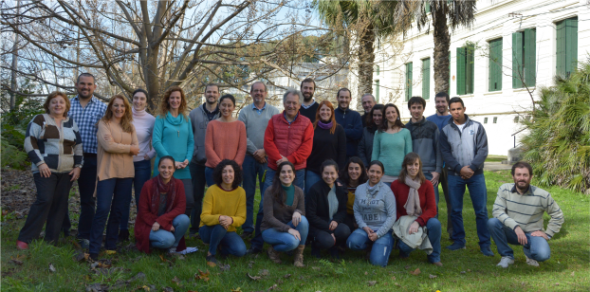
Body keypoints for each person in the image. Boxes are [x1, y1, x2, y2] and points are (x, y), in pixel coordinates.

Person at [248, 89, 314, 254]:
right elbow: (268, 143)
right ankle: (257, 243)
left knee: (296, 206)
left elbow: (306, 148)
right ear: (284, 104)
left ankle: (295, 243)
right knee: (265, 204)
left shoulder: (306, 123)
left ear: (299, 105)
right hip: (273, 169)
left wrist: (288, 161)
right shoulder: (274, 120)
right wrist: (280, 160)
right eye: (288, 102)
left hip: (297, 171)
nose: (291, 105)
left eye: (294, 103)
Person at [16, 91, 83, 250]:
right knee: (44, 200)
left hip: (67, 171)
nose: (58, 105)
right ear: (49, 105)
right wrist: (40, 163)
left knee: (60, 204)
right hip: (45, 169)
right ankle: (26, 238)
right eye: (54, 102)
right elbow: (29, 142)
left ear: (66, 105)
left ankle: (51, 240)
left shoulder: (71, 123)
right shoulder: (40, 120)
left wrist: (78, 167)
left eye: (61, 102)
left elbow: (78, 146)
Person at [439, 97, 493, 256]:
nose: (456, 112)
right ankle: (459, 241)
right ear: (449, 111)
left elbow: (483, 150)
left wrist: (472, 168)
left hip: (476, 175)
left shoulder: (477, 127)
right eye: (453, 109)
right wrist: (459, 168)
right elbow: (445, 153)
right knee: (455, 210)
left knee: (481, 211)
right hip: (454, 175)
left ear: (464, 108)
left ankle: (485, 244)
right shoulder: (445, 130)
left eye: (459, 108)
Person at [89, 95, 139, 260]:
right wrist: (128, 148)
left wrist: (129, 148)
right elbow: (108, 146)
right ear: (111, 107)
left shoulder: (130, 127)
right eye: (116, 105)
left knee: (118, 211)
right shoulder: (104, 124)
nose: (119, 109)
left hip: (126, 173)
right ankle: (94, 248)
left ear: (126, 109)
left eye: (122, 106)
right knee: (102, 209)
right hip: (107, 171)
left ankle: (111, 245)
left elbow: (137, 148)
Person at [488, 162, 564, 268]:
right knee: (492, 222)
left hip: (532, 234)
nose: (521, 178)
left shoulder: (542, 195)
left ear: (531, 177)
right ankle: (507, 256)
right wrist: (516, 227)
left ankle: (530, 254)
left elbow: (558, 214)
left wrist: (548, 233)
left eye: (525, 175)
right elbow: (497, 211)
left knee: (543, 255)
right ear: (513, 176)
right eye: (518, 175)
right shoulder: (504, 189)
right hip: (512, 232)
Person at [68, 73, 107, 248]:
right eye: (82, 84)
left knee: (88, 200)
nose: (86, 87)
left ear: (95, 87)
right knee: (60, 197)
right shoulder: (66, 105)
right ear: (76, 85)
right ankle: (62, 229)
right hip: (66, 158)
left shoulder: (102, 109)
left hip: (91, 159)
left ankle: (84, 235)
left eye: (89, 84)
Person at [238, 81, 279, 238]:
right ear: (251, 93)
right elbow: (242, 135)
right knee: (247, 194)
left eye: (261, 91)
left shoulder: (274, 112)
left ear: (266, 93)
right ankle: (247, 229)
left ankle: (264, 228)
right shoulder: (244, 112)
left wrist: (265, 152)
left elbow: (277, 136)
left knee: (267, 195)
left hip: (267, 159)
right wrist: (256, 151)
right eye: (255, 91)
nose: (258, 93)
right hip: (248, 158)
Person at [390, 153, 442, 266]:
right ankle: (404, 251)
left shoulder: (427, 184)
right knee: (405, 247)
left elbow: (432, 209)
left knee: (435, 224)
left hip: (420, 218)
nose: (413, 167)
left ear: (419, 166)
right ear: (405, 166)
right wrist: (404, 223)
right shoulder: (396, 184)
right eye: (410, 164)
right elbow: (393, 208)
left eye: (416, 164)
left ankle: (434, 257)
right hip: (402, 220)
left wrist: (417, 222)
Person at [119, 88, 156, 241]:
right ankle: (123, 230)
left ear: (146, 103)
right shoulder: (124, 116)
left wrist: (151, 154)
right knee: (124, 198)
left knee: (142, 198)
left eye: (142, 99)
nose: (138, 101)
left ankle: (142, 230)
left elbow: (156, 140)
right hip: (124, 163)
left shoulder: (151, 119)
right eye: (136, 98)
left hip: (142, 164)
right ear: (132, 99)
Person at [134, 156, 192, 254]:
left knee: (184, 219)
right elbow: (143, 213)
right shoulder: (148, 185)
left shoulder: (178, 184)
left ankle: (173, 248)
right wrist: (166, 226)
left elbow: (180, 208)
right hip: (149, 224)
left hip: (164, 221)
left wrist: (161, 222)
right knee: (168, 240)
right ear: (158, 168)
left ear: (174, 169)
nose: (166, 170)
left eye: (170, 167)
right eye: (163, 167)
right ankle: (150, 243)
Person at [152, 86, 194, 215]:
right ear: (168, 100)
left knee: (188, 201)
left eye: (178, 98)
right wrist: (171, 162)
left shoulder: (187, 119)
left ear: (181, 100)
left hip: (183, 168)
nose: (175, 100)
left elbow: (190, 142)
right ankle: (163, 230)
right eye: (172, 98)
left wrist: (188, 159)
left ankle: (177, 230)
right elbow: (156, 142)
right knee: (163, 204)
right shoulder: (161, 118)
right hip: (165, 168)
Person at [346, 161, 397, 267]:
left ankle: (381, 244)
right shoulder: (360, 189)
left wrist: (378, 234)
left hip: (383, 230)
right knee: (351, 243)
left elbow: (392, 216)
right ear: (367, 172)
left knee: (377, 263)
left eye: (378, 172)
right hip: (366, 229)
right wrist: (364, 227)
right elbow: (357, 211)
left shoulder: (387, 191)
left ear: (382, 174)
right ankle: (371, 245)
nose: (374, 174)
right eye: (372, 171)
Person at [199, 159, 247, 267]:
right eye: (224, 172)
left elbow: (242, 218)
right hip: (208, 230)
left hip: (228, 230)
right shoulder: (212, 190)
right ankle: (211, 253)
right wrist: (220, 218)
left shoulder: (241, 192)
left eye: (230, 171)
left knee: (240, 251)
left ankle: (220, 246)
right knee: (221, 226)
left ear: (235, 173)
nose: (227, 175)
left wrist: (231, 220)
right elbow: (204, 216)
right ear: (220, 174)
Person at [261, 161, 308, 267]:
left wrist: (297, 212)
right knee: (292, 242)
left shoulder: (299, 191)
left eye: (289, 172)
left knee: (303, 220)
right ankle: (273, 250)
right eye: (283, 172)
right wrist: (288, 229)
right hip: (270, 229)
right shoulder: (270, 191)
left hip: (288, 225)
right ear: (278, 175)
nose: (286, 174)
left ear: (294, 174)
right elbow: (269, 217)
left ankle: (298, 255)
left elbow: (302, 211)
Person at [189, 84, 220, 236]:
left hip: (217, 164)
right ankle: (195, 227)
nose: (211, 94)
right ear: (204, 93)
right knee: (196, 195)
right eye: (209, 92)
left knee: (216, 196)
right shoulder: (194, 114)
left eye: (214, 92)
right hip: (197, 162)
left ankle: (214, 226)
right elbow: (189, 137)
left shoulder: (223, 113)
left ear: (219, 94)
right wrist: (195, 153)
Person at [405, 97, 442, 214]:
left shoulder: (432, 127)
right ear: (409, 109)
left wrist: (438, 170)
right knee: (414, 204)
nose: (416, 110)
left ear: (423, 109)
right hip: (412, 172)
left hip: (430, 172)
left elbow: (439, 149)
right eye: (414, 108)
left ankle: (433, 229)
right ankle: (418, 231)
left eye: (419, 107)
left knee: (433, 204)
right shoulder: (405, 129)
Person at [306, 160, 351, 258]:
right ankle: (316, 245)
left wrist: (336, 220)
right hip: (318, 225)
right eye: (326, 173)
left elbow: (343, 210)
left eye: (332, 173)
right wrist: (328, 228)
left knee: (345, 230)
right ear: (321, 173)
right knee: (327, 241)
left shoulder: (340, 189)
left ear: (337, 173)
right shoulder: (315, 190)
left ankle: (334, 247)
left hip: (333, 223)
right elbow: (311, 215)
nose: (329, 176)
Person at [204, 94, 247, 186]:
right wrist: (221, 167)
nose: (226, 108)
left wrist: (231, 168)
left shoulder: (240, 125)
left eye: (229, 105)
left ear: (234, 107)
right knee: (215, 199)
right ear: (219, 106)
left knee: (232, 200)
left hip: (234, 172)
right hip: (213, 170)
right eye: (223, 105)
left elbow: (242, 148)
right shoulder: (212, 125)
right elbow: (208, 147)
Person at [305, 100, 347, 194]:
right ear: (318, 112)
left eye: (328, 110)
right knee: (311, 197)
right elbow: (307, 148)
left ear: (332, 112)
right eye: (322, 110)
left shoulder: (338, 129)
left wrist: (338, 172)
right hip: (313, 170)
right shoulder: (311, 127)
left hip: (331, 173)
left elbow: (342, 152)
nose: (325, 112)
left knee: (329, 200)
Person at [426, 92, 453, 238]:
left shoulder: (454, 119)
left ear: (447, 103)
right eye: (438, 102)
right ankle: (433, 232)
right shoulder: (429, 121)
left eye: (443, 101)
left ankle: (453, 233)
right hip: (432, 167)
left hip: (450, 167)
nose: (440, 104)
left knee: (452, 202)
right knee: (432, 202)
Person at [372, 104, 413, 184]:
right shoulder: (378, 133)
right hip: (383, 177)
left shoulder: (405, 132)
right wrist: (374, 173)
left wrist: (408, 173)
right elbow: (375, 155)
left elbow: (409, 155)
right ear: (385, 116)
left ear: (397, 114)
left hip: (401, 176)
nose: (391, 115)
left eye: (393, 112)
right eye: (388, 113)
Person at [338, 157, 368, 229]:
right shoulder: (340, 184)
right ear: (347, 170)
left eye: (357, 169)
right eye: (351, 168)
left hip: (362, 216)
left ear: (362, 170)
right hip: (344, 215)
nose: (353, 171)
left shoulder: (367, 185)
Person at [334, 88, 363, 159]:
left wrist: (340, 131)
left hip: (352, 158)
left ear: (350, 99)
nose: (344, 100)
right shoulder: (331, 114)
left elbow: (358, 134)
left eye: (346, 97)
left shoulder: (356, 115)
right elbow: (330, 134)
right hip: (335, 157)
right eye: (342, 97)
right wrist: (350, 132)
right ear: (337, 98)